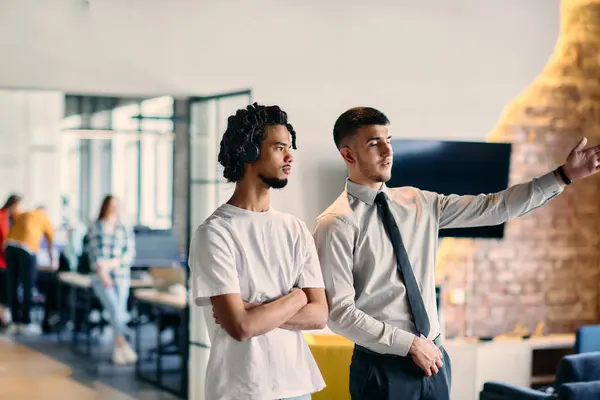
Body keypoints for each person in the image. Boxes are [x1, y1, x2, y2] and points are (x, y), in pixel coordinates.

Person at [313, 107, 600, 400]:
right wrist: (409, 344)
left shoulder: (418, 202)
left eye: (389, 139)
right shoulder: (335, 224)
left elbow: (495, 207)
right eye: (374, 143)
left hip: (435, 360)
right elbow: (339, 313)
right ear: (348, 155)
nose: (388, 151)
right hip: (382, 369)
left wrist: (563, 176)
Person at [188, 103, 328, 400]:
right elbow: (241, 326)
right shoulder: (215, 233)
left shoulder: (295, 229)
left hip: (297, 387)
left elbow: (319, 314)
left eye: (290, 148)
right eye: (279, 148)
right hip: (242, 390)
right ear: (249, 152)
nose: (290, 157)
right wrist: (298, 297)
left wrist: (265, 311)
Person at [85, 194, 137, 365]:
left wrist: (112, 264)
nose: (113, 208)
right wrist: (103, 272)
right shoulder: (96, 227)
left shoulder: (124, 228)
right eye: (111, 205)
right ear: (105, 206)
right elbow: (93, 254)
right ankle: (123, 345)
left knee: (119, 312)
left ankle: (118, 348)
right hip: (101, 276)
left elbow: (128, 254)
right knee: (115, 308)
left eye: (116, 205)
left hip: (121, 275)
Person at [4, 205, 53, 335]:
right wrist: (52, 258)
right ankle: (26, 322)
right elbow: (50, 238)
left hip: (9, 246)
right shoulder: (43, 216)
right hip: (26, 248)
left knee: (12, 285)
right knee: (28, 286)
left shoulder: (25, 214)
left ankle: (15, 322)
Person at [0, 194, 23, 329]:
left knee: (4, 291)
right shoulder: (2, 216)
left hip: (5, 261)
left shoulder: (10, 218)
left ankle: (3, 318)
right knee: (3, 291)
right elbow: (5, 239)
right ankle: (2, 319)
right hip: (2, 261)